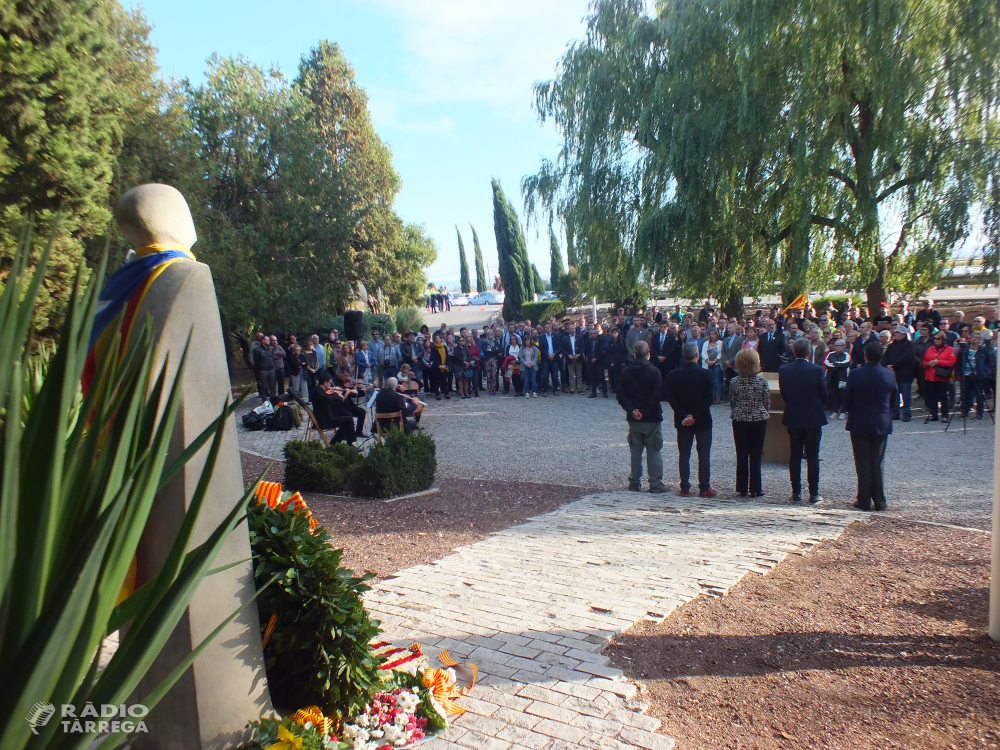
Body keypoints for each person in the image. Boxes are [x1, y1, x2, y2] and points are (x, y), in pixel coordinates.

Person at [842, 341, 897, 511]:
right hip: (880, 421)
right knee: (877, 462)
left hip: (859, 422)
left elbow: (846, 400)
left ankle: (864, 500)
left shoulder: (855, 374)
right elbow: (893, 399)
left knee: (863, 463)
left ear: (865, 355)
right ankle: (879, 501)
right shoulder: (889, 374)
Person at [778, 338, 827, 504]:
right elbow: (824, 394)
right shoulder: (817, 370)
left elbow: (784, 393)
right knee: (813, 456)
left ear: (793, 352)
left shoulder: (784, 370)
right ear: (809, 352)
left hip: (793, 415)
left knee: (795, 454)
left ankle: (796, 492)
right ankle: (814, 493)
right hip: (813, 416)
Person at [665, 343, 716, 497]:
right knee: (704, 454)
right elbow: (709, 399)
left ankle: (685, 486)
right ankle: (704, 487)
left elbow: (671, 399)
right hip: (703, 420)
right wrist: (695, 415)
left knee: (684, 453)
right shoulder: (706, 374)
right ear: (697, 355)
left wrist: (684, 416)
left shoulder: (673, 375)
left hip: (682, 420)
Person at [616, 340, 666, 493]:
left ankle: (635, 481)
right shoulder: (654, 372)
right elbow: (657, 395)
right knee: (654, 450)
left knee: (636, 451)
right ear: (648, 353)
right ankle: (655, 483)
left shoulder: (626, 371)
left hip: (633, 418)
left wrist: (632, 410)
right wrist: (643, 411)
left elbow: (621, 394)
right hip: (651, 417)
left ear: (634, 354)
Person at [728, 349, 770, 498]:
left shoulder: (734, 382)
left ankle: (742, 487)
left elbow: (733, 401)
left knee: (741, 453)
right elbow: (766, 402)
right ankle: (756, 488)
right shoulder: (762, 381)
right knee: (756, 454)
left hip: (739, 418)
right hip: (758, 418)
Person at [311, 372, 357, 445]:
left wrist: (342, 396)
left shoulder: (321, 391)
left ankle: (335, 443)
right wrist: (337, 395)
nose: (330, 385)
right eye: (329, 383)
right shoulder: (317, 391)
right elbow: (327, 399)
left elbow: (331, 403)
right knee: (348, 420)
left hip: (328, 417)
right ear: (325, 382)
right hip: (325, 420)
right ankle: (346, 443)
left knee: (347, 421)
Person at [881, 326, 916, 421]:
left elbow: (906, 357)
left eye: (899, 332)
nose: (896, 334)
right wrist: (886, 365)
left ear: (904, 334)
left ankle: (907, 413)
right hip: (893, 374)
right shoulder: (891, 346)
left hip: (905, 373)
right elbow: (884, 357)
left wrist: (893, 365)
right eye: (895, 332)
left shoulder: (909, 345)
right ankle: (895, 413)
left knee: (906, 394)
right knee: (894, 395)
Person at [921, 330, 956, 422]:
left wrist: (939, 362)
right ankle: (934, 415)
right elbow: (923, 361)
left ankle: (945, 415)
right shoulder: (930, 349)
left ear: (943, 340)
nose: (935, 340)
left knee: (943, 396)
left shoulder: (949, 349)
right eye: (934, 339)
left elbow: (952, 362)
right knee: (932, 396)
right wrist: (927, 364)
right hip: (930, 376)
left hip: (942, 376)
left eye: (938, 339)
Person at [538, 322, 563, 395]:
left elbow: (558, 347)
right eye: (546, 327)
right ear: (544, 329)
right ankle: (545, 390)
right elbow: (541, 348)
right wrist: (548, 355)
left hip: (554, 358)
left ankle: (555, 389)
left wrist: (554, 354)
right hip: (545, 358)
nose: (547, 328)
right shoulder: (541, 337)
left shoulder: (555, 336)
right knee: (545, 375)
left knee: (555, 375)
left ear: (551, 328)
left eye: (549, 327)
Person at [701, 328, 724, 405]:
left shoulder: (720, 343)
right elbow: (703, 353)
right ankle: (711, 397)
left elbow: (720, 353)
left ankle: (718, 397)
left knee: (717, 380)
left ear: (717, 335)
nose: (713, 335)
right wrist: (708, 361)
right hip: (708, 364)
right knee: (710, 381)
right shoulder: (706, 343)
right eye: (711, 334)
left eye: (714, 334)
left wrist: (714, 361)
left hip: (716, 364)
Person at [721, 323, 745, 394]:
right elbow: (722, 351)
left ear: (735, 329)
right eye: (727, 328)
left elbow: (738, 351)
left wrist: (730, 361)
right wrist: (726, 361)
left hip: (735, 364)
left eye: (730, 328)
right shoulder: (725, 340)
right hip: (727, 365)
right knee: (728, 381)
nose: (728, 329)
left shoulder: (740, 340)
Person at [584, 328, 608, 398]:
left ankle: (604, 392)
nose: (593, 335)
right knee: (592, 377)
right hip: (591, 362)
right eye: (592, 333)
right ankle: (593, 393)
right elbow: (587, 351)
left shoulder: (601, 340)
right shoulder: (588, 341)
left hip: (599, 361)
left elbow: (601, 350)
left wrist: (595, 358)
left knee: (601, 377)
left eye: (594, 333)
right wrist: (591, 358)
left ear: (597, 333)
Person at [562, 321, 585, 393]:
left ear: (575, 329)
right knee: (571, 375)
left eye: (573, 328)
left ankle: (580, 388)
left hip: (578, 358)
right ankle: (572, 389)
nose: (572, 330)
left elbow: (583, 347)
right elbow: (563, 349)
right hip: (570, 358)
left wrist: (580, 354)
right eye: (570, 329)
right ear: (568, 330)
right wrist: (568, 355)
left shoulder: (579, 337)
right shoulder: (565, 339)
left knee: (579, 374)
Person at [252, 334, 276, 400]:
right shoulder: (257, 350)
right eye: (267, 340)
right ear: (263, 341)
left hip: (271, 369)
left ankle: (273, 399)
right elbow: (256, 361)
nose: (269, 341)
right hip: (263, 370)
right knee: (263, 386)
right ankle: (265, 401)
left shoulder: (271, 349)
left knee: (272, 385)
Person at [605, 327, 628, 393]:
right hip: (614, 362)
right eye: (613, 333)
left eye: (615, 333)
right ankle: (617, 390)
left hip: (621, 362)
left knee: (622, 376)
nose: (614, 334)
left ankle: (623, 390)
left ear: (618, 333)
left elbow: (625, 352)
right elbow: (609, 353)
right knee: (615, 376)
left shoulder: (622, 341)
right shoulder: (610, 342)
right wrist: (611, 361)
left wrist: (624, 361)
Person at [429, 332, 450, 401]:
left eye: (438, 338)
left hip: (444, 367)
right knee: (436, 381)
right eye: (436, 338)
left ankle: (446, 393)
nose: (437, 339)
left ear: (441, 339)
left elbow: (447, 356)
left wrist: (445, 365)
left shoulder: (444, 346)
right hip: (436, 367)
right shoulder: (433, 347)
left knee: (444, 381)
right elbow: (433, 357)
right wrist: (439, 365)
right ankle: (437, 394)